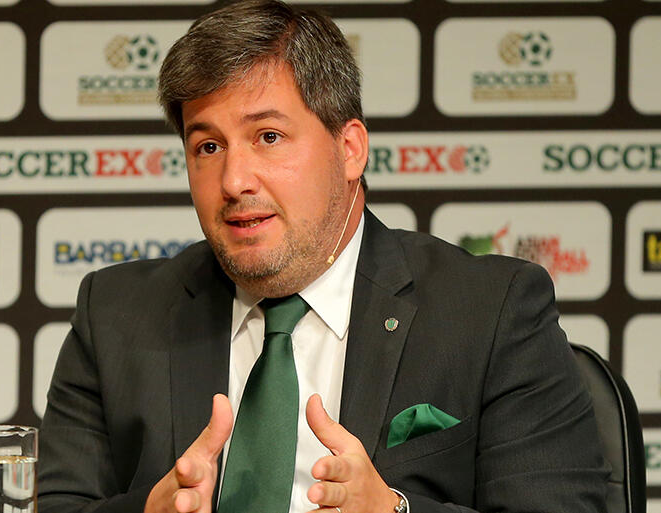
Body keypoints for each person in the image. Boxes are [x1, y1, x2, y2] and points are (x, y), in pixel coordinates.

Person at [38, 1, 609, 512]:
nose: (234, 181)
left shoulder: (490, 311)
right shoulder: (114, 315)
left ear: (350, 148)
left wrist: (393, 512)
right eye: (208, 146)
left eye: (268, 137)